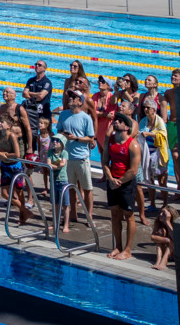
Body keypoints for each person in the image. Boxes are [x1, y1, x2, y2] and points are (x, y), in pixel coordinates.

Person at [54, 91, 95, 231]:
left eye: (73, 98)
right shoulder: (64, 114)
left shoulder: (86, 118)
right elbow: (58, 131)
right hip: (67, 158)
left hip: (81, 158)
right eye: (69, 97)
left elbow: (90, 138)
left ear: (80, 101)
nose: (70, 99)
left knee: (87, 189)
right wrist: (62, 135)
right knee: (70, 187)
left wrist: (75, 138)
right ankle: (73, 214)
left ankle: (89, 215)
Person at [101, 114, 140, 260]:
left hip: (126, 184)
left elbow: (133, 170)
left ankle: (128, 250)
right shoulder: (110, 141)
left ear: (127, 127)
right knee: (115, 214)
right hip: (112, 182)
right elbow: (105, 161)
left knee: (128, 215)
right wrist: (110, 178)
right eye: (116, 120)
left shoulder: (133, 145)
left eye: (120, 121)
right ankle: (118, 246)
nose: (116, 122)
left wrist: (119, 181)